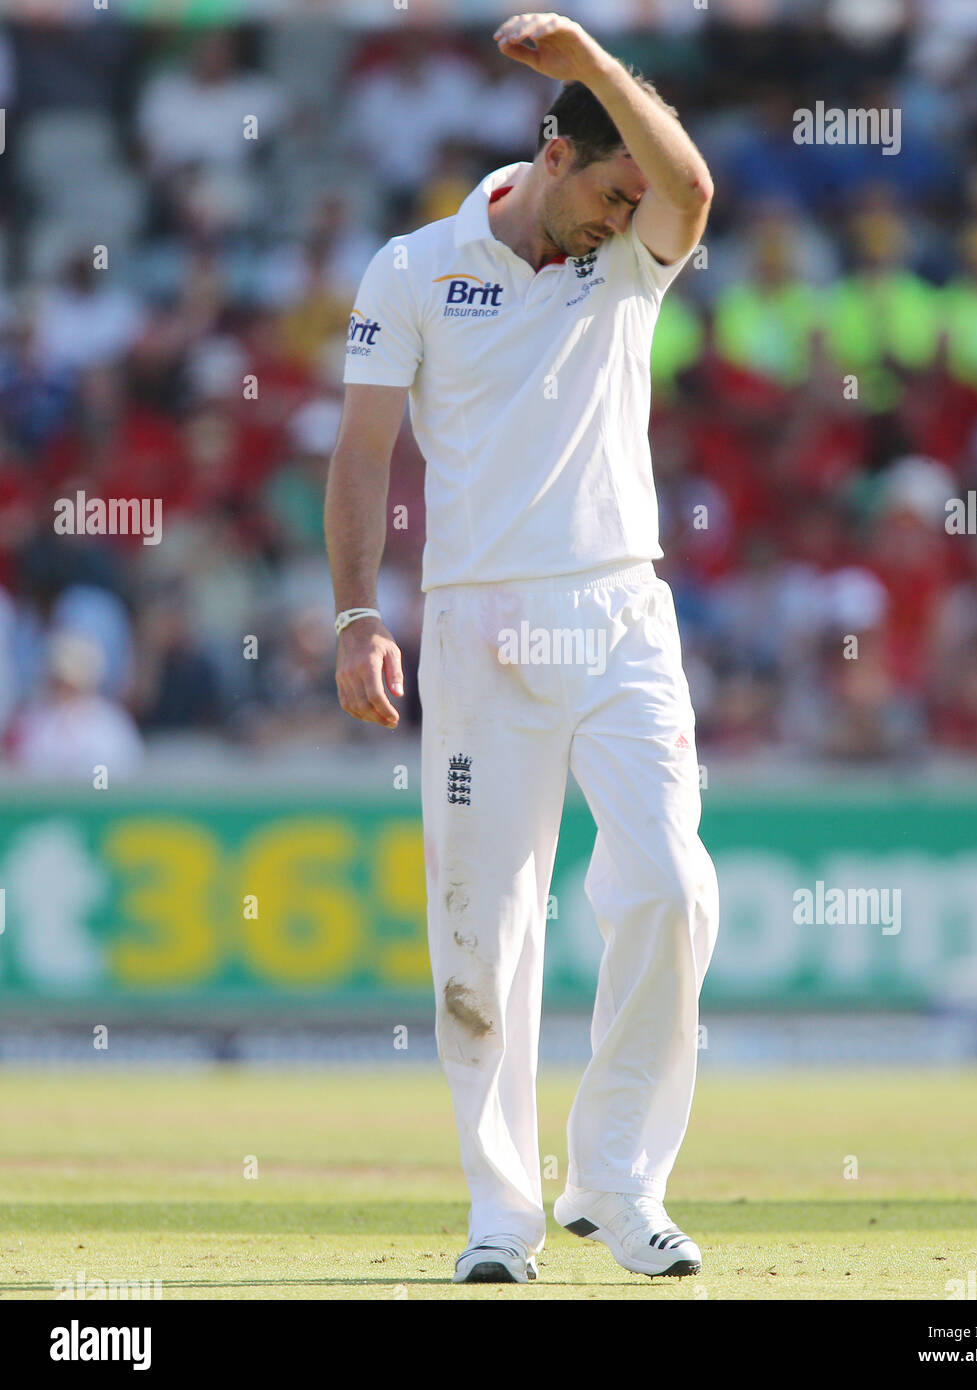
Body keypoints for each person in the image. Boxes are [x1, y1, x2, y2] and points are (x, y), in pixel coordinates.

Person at [325, 12, 718, 1284]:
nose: (623, 217)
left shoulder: (629, 265)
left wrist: (601, 63)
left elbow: (693, 185)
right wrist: (353, 617)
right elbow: (363, 453)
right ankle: (502, 1216)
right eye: (610, 189)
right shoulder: (412, 267)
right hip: (477, 623)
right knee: (480, 937)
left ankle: (615, 1182)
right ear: (553, 157)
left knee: (669, 885)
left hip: (617, 613)